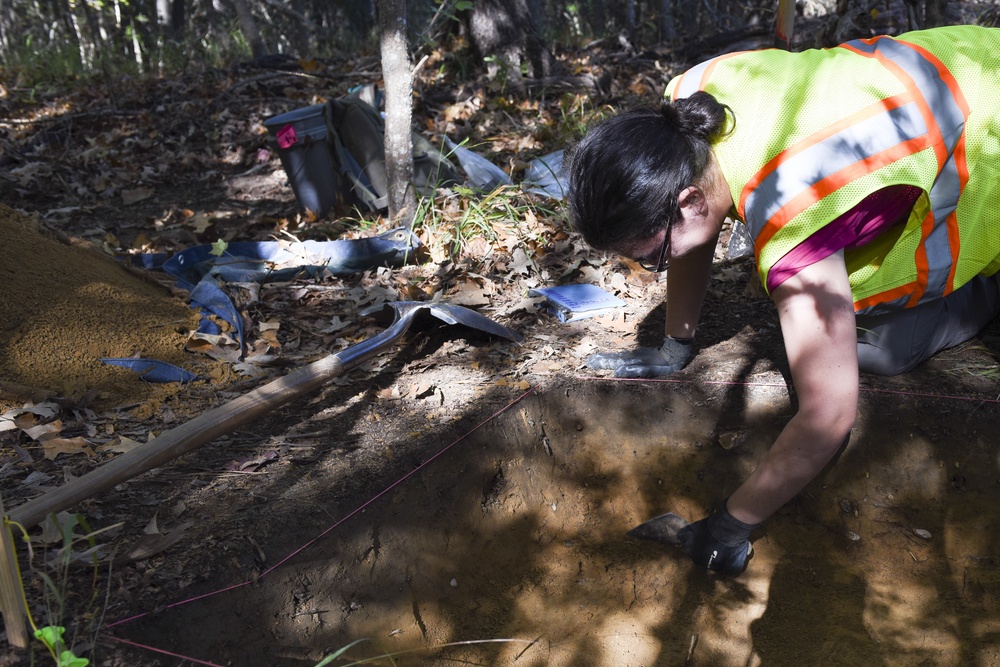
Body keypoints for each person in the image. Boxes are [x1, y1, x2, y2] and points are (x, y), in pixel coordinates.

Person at [568, 24, 1000, 575]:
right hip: (965, 63)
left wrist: (730, 523)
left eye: (651, 257)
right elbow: (695, 227)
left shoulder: (795, 217)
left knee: (876, 348)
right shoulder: (689, 103)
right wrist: (676, 342)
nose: (652, 271)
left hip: (987, 142)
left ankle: (985, 287)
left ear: (687, 200)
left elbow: (829, 415)